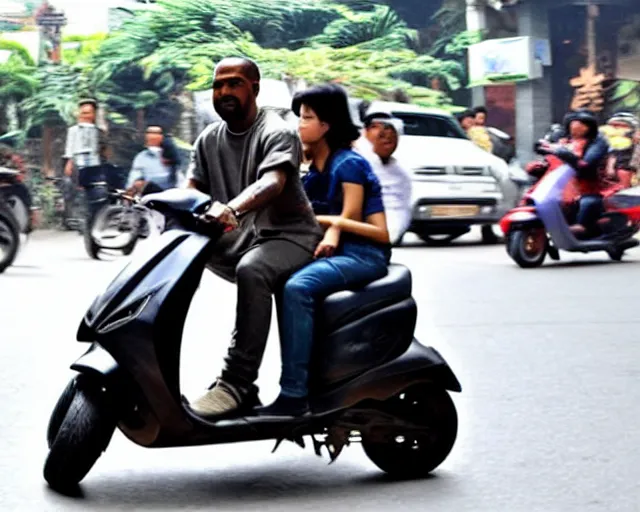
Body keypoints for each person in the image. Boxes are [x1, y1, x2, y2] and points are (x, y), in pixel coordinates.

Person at [186, 57, 322, 418]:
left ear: (255, 89)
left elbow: (272, 182)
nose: (224, 92)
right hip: (241, 237)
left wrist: (231, 208)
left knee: (253, 271)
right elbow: (192, 192)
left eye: (234, 84)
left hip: (289, 236)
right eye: (218, 85)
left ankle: (237, 385)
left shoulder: (276, 130)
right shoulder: (208, 139)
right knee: (179, 266)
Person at [257, 84, 391, 417]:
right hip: (341, 251)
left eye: (306, 118)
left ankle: (294, 395)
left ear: (326, 126)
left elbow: (360, 223)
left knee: (298, 287)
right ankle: (307, 378)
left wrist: (330, 224)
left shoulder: (347, 165)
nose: (298, 125)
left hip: (363, 254)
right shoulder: (318, 168)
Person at [536, 110, 609, 237]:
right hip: (561, 182)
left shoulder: (597, 142)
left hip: (588, 184)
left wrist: (567, 155)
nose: (577, 129)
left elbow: (587, 164)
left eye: (582, 126)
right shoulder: (563, 140)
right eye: (574, 126)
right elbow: (549, 155)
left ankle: (583, 226)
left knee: (588, 202)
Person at [355, 112, 412, 245]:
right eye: (376, 127)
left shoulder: (400, 174)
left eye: (391, 132)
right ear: (365, 132)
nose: (386, 137)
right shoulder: (353, 161)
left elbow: (400, 211)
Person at [126, 126, 177, 196]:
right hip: (149, 199)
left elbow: (182, 180)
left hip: (172, 197)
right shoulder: (141, 157)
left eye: (157, 133)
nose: (153, 136)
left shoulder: (173, 155)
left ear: (162, 136)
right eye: (150, 133)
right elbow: (133, 181)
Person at [600, 113, 639, 189]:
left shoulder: (632, 140)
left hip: (625, 169)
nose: (618, 128)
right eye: (614, 126)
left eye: (623, 126)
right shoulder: (602, 141)